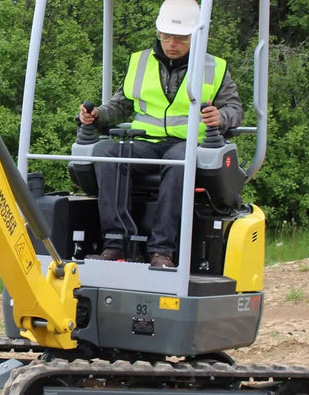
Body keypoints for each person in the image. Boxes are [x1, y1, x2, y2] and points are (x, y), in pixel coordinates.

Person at [80, 0, 243, 269]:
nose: (172, 43)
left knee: (180, 163)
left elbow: (234, 108)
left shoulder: (214, 68)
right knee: (106, 152)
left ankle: (162, 250)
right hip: (145, 142)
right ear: (158, 33)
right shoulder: (140, 62)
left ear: (196, 36)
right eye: (167, 36)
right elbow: (121, 105)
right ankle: (116, 243)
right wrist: (97, 114)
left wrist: (221, 117)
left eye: (180, 38)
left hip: (189, 144)